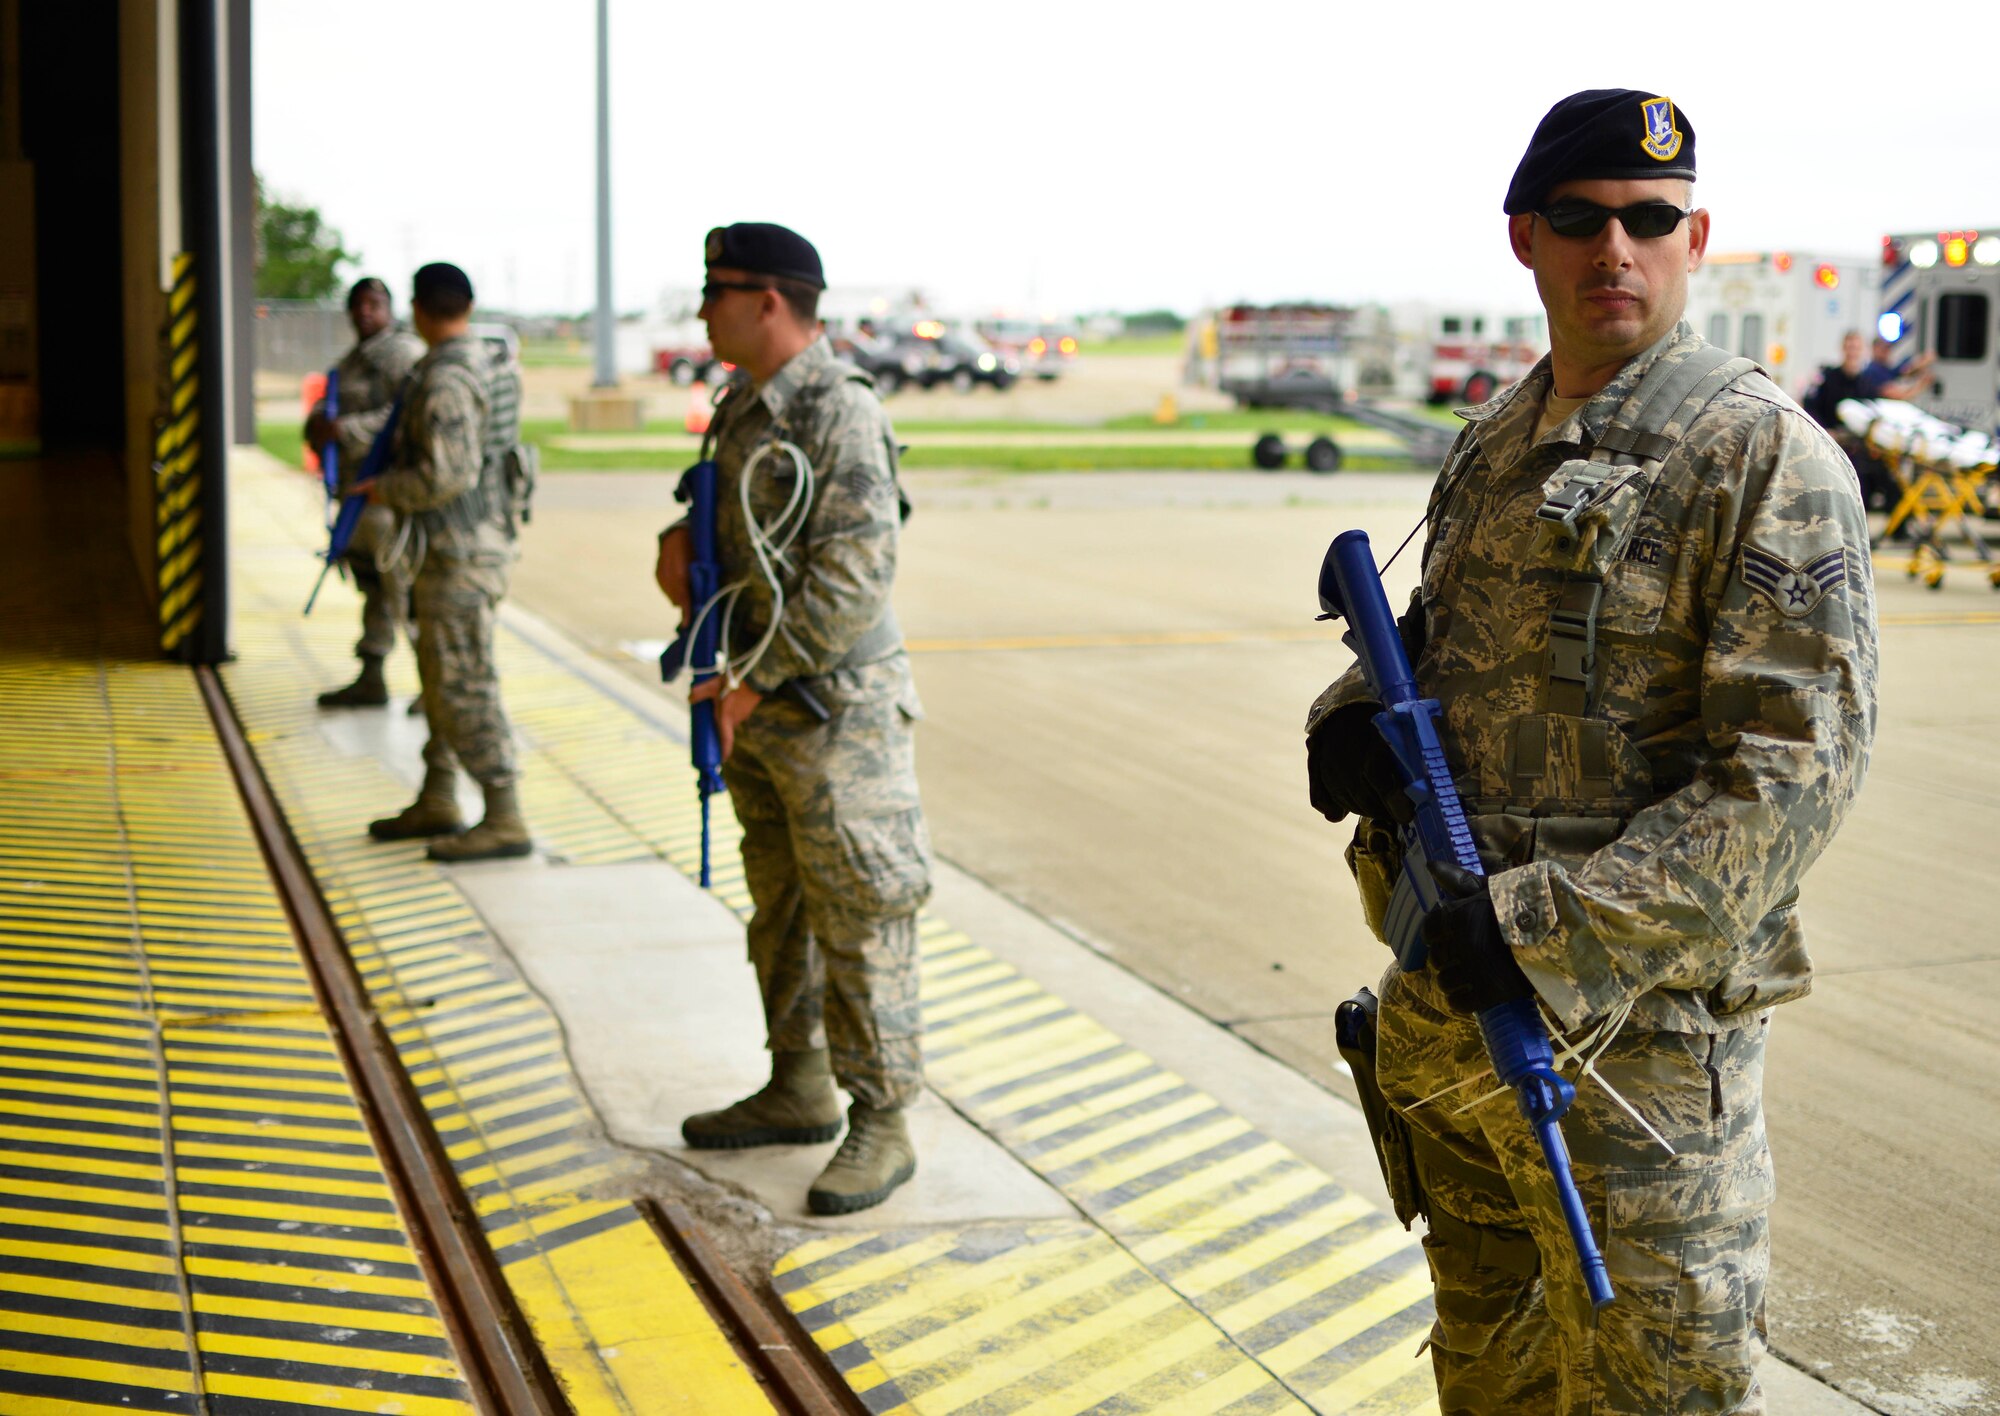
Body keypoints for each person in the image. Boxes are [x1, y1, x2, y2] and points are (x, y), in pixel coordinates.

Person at [1305, 91, 1877, 1413]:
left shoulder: (1760, 458)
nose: (1615, 247)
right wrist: (1352, 733)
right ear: (1526, 238)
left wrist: (1545, 929)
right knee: (1489, 1371)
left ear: (1697, 237)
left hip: (1638, 1057)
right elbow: (1435, 643)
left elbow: (1788, 778)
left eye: (1650, 220)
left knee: (1649, 1394)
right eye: (1581, 218)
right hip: (1452, 1015)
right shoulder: (1498, 441)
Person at [654, 223, 931, 1216]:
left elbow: (854, 577)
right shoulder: (743, 406)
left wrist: (751, 680)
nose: (701, 309)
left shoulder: (837, 411)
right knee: (781, 915)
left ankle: (882, 1121)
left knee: (860, 917)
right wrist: (678, 549)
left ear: (767, 299)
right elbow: (741, 530)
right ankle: (799, 1086)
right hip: (764, 706)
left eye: (714, 290)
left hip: (831, 717)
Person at [365, 262, 532, 863]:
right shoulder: (480, 360)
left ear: (419, 309)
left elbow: (448, 473)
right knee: (441, 677)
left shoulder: (446, 380)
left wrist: (385, 490)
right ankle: (439, 795)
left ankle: (504, 813)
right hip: (465, 547)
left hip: (459, 553)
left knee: (463, 680)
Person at [304, 277, 424, 707]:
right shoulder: (354, 360)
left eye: (374, 304)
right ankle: (372, 676)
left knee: (403, 593)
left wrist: (346, 430)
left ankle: (433, 685)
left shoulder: (402, 355)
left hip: (386, 498)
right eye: (358, 304)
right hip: (355, 498)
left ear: (389, 308)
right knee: (373, 587)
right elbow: (331, 402)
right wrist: (318, 422)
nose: (365, 312)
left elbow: (405, 415)